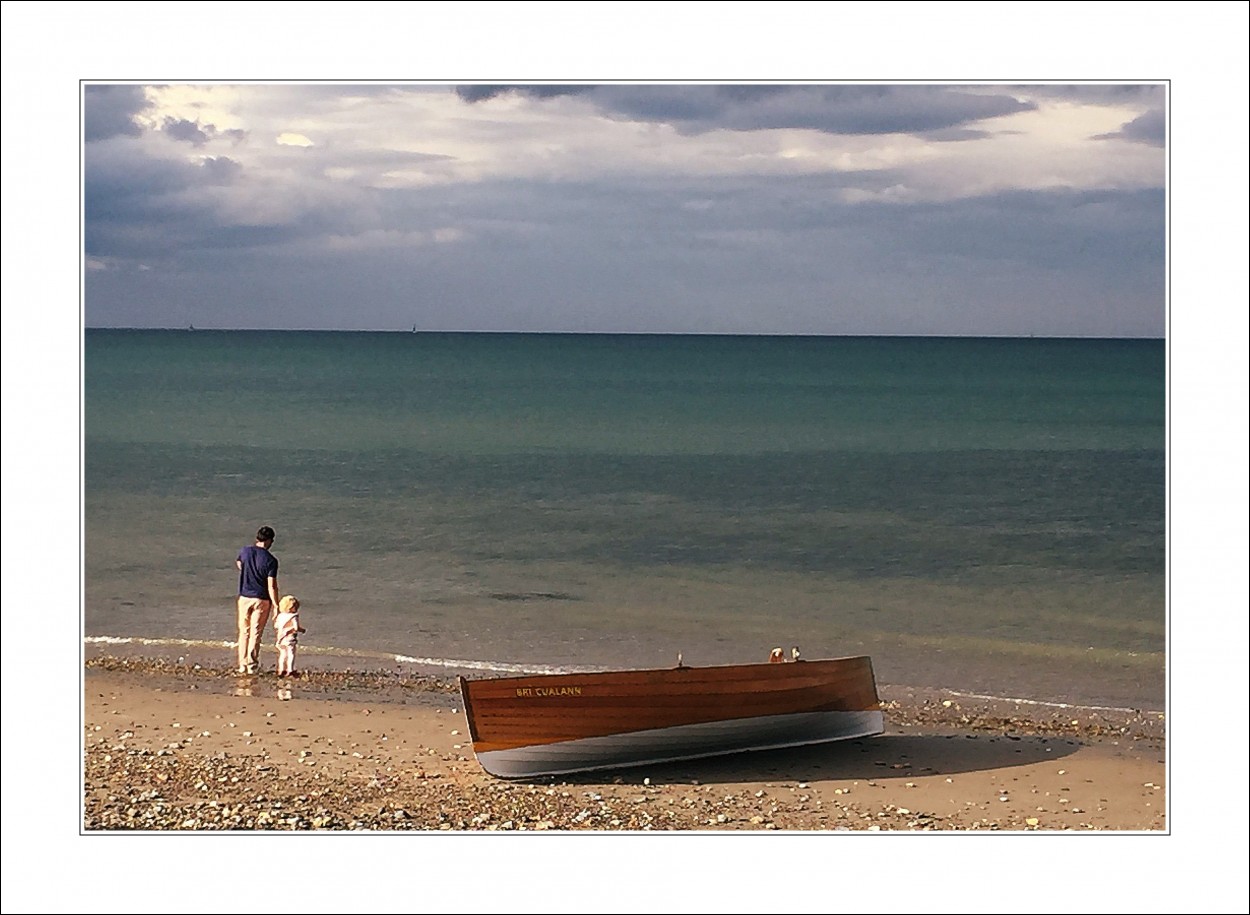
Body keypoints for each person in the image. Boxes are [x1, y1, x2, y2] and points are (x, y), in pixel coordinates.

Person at [235, 525, 280, 674]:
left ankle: (242, 664)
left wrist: (248, 572)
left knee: (244, 632)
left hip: (244, 596)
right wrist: (276, 605)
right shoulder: (271, 560)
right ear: (269, 541)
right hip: (261, 599)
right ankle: (251, 665)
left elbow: (239, 564)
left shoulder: (245, 551)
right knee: (256, 633)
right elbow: (271, 585)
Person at [273, 595, 306, 678]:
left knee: (282, 654)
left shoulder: (280, 616)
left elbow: (276, 626)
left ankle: (281, 670)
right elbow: (295, 627)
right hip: (290, 637)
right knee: (291, 653)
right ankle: (290, 670)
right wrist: (302, 630)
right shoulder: (293, 616)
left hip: (280, 637)